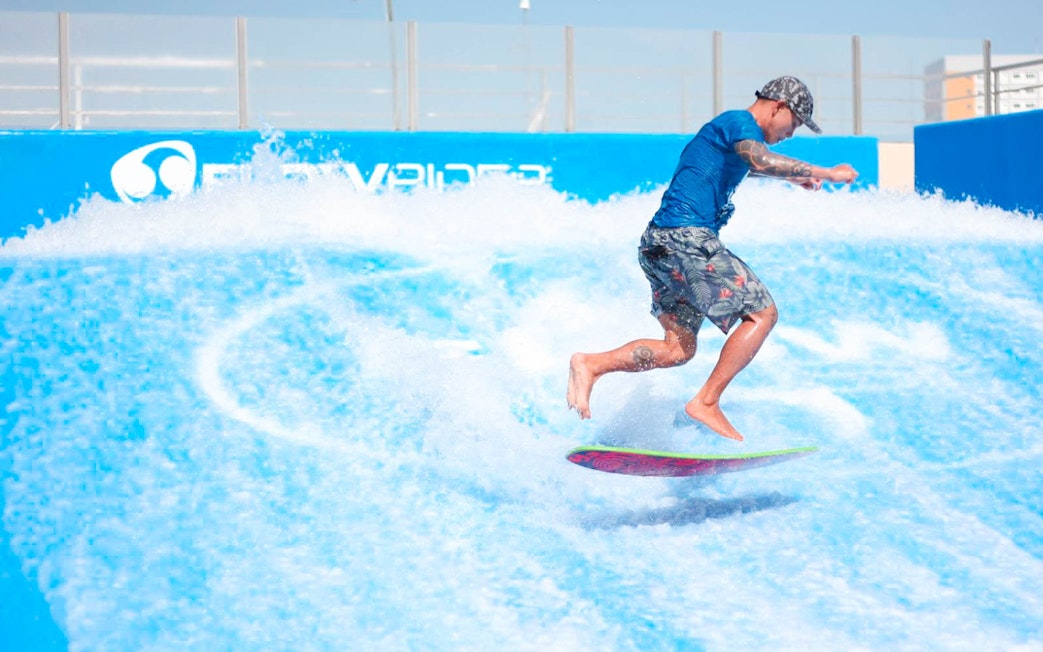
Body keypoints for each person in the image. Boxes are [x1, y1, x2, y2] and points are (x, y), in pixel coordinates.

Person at [566, 76, 859, 442]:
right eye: (794, 123)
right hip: (687, 239)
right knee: (763, 313)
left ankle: (590, 364)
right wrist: (825, 173)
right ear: (778, 107)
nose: (791, 132)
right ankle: (706, 402)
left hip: (658, 246)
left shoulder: (729, 136)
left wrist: (789, 179)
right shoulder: (739, 122)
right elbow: (761, 159)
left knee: (678, 349)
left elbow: (741, 165)